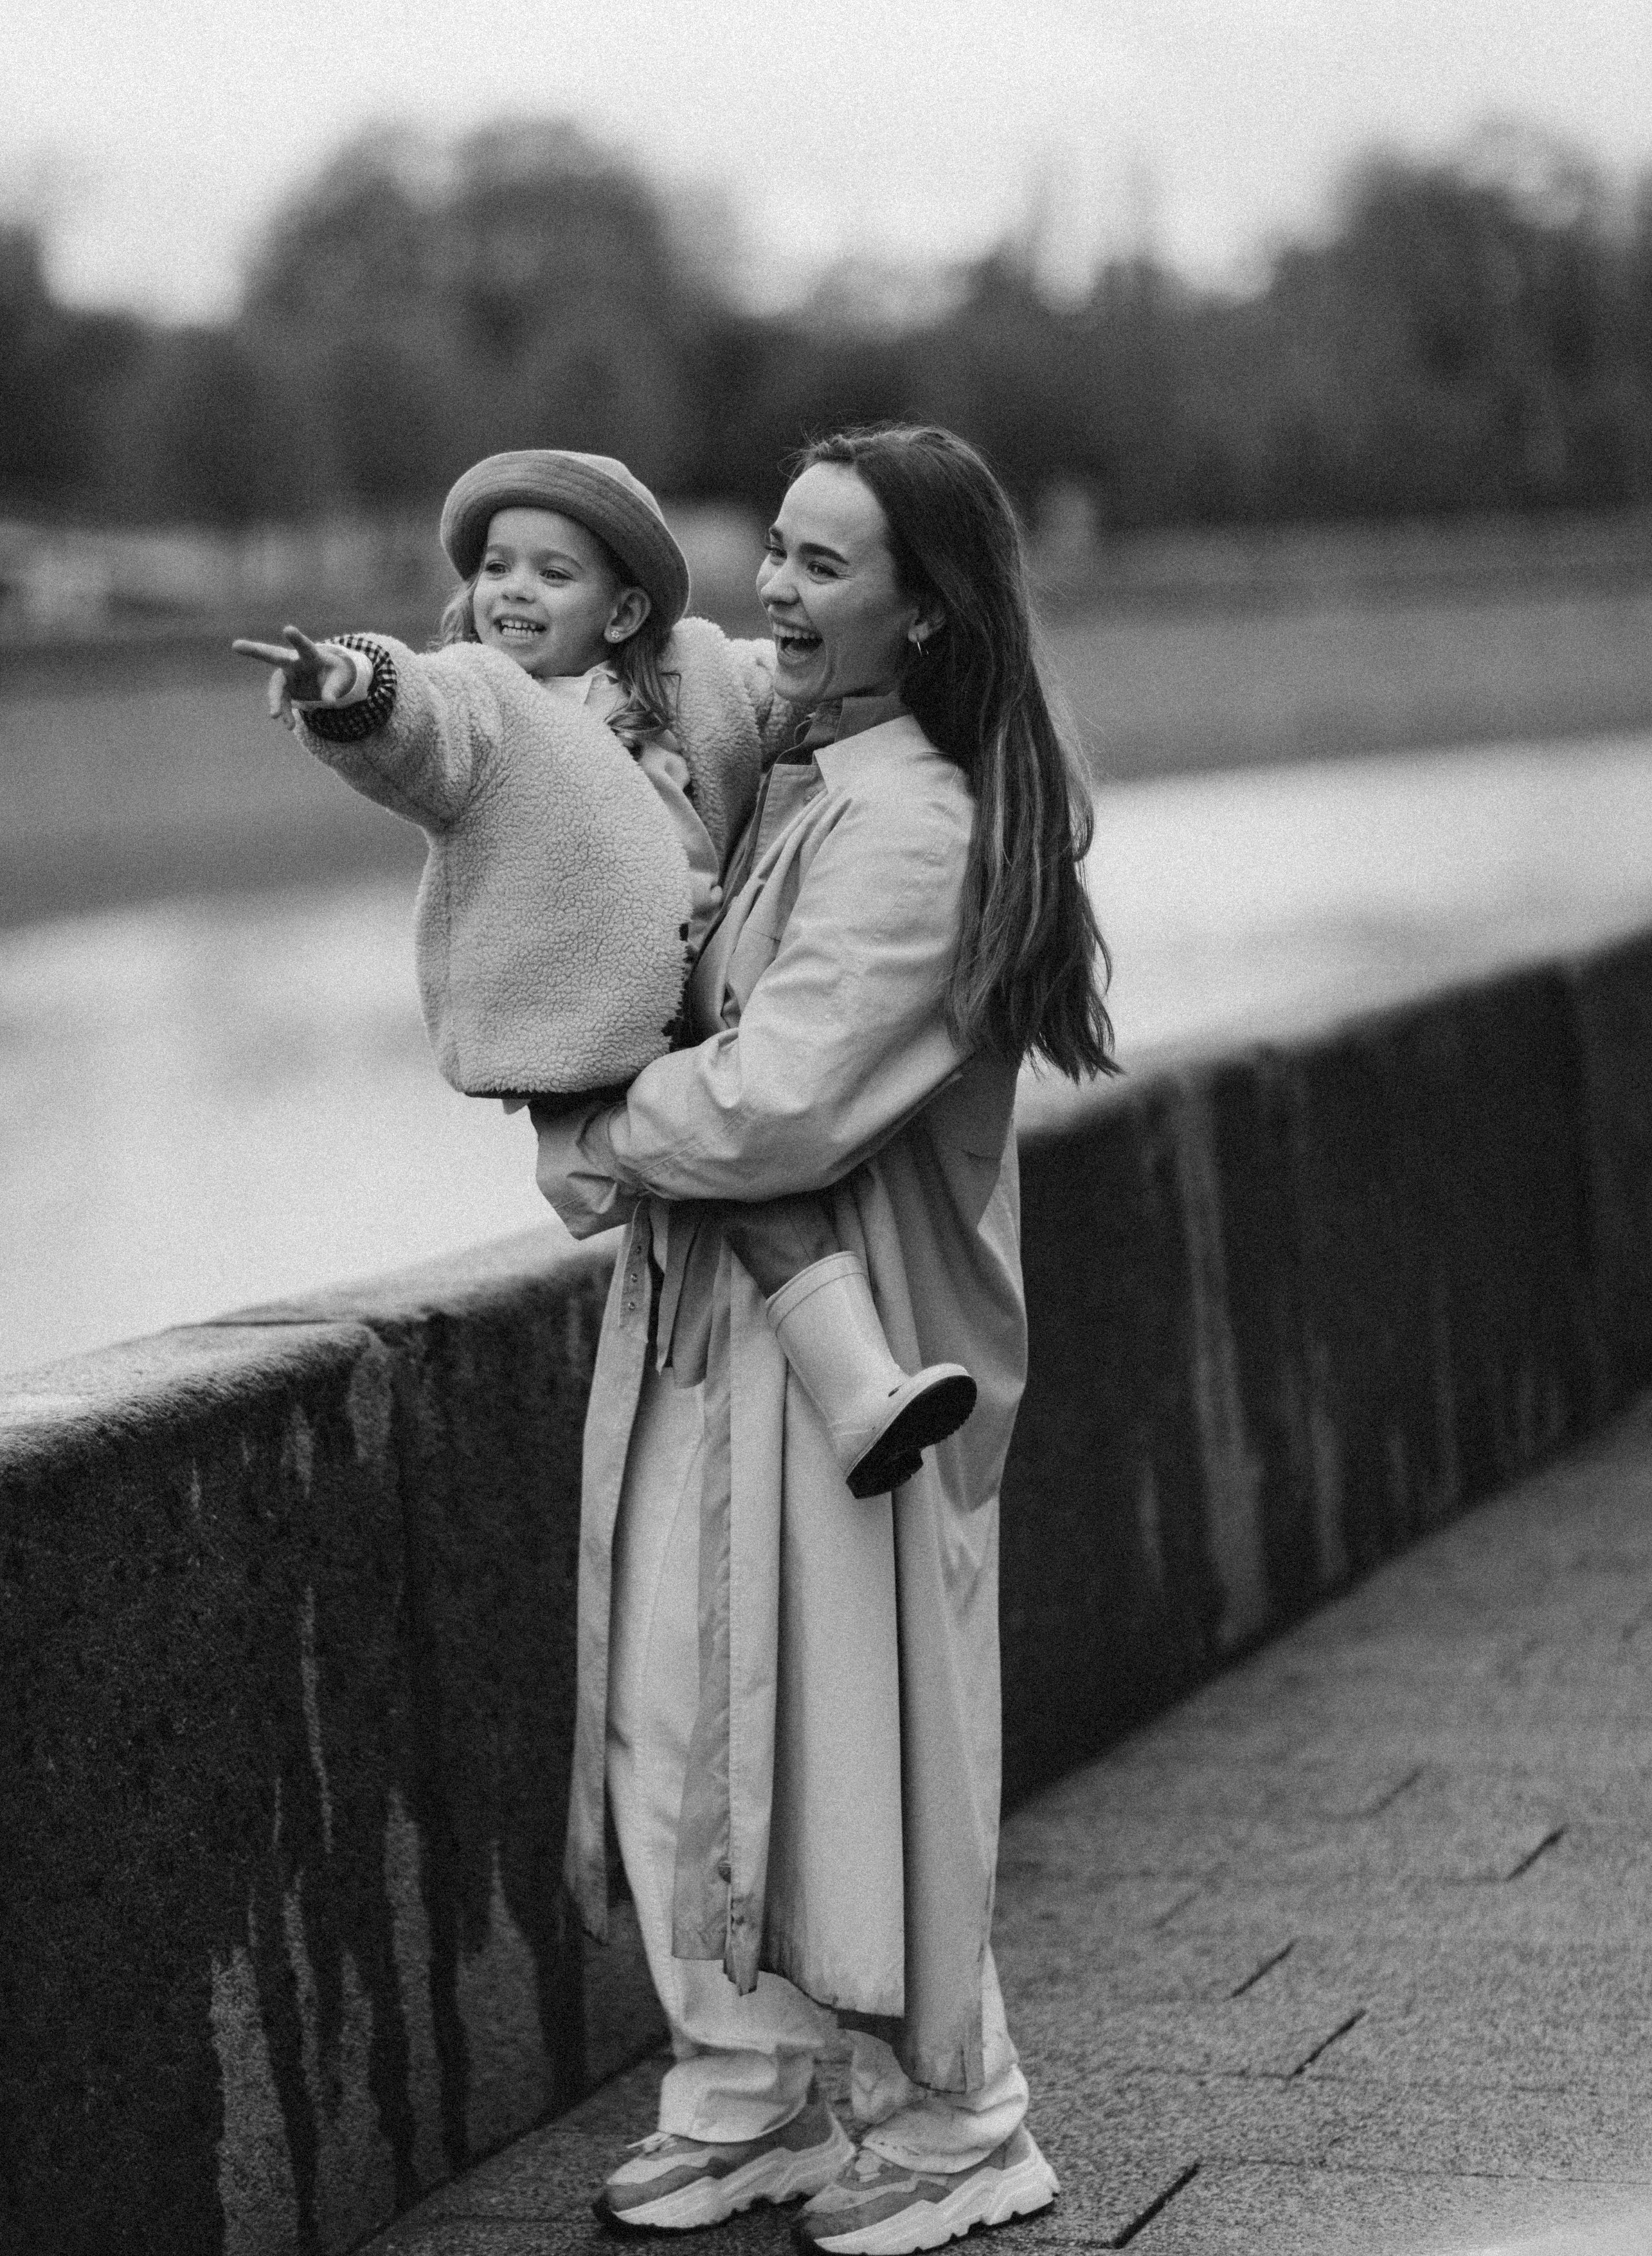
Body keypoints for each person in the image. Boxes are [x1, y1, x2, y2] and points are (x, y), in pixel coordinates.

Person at [531, 423, 1116, 2253]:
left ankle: (962, 2122)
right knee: (694, 1735)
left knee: (864, 1755)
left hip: (865, 1373)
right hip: (733, 1344)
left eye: (823, 566)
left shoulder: (915, 824)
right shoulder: (814, 779)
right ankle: (758, 2091)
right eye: (773, 552)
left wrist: (584, 1120)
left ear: (925, 613)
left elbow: (776, 1108)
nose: (773, 590)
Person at [232, 447, 977, 1498]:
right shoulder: (488, 701)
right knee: (744, 1180)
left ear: (626, 612)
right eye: (496, 567)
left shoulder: (696, 677)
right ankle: (861, 1393)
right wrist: (350, 683)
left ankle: (861, 1401)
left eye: (552, 572)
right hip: (581, 1026)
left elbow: (790, 696)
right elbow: (417, 728)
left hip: (679, 1013)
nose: (513, 593)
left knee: (745, 1181)